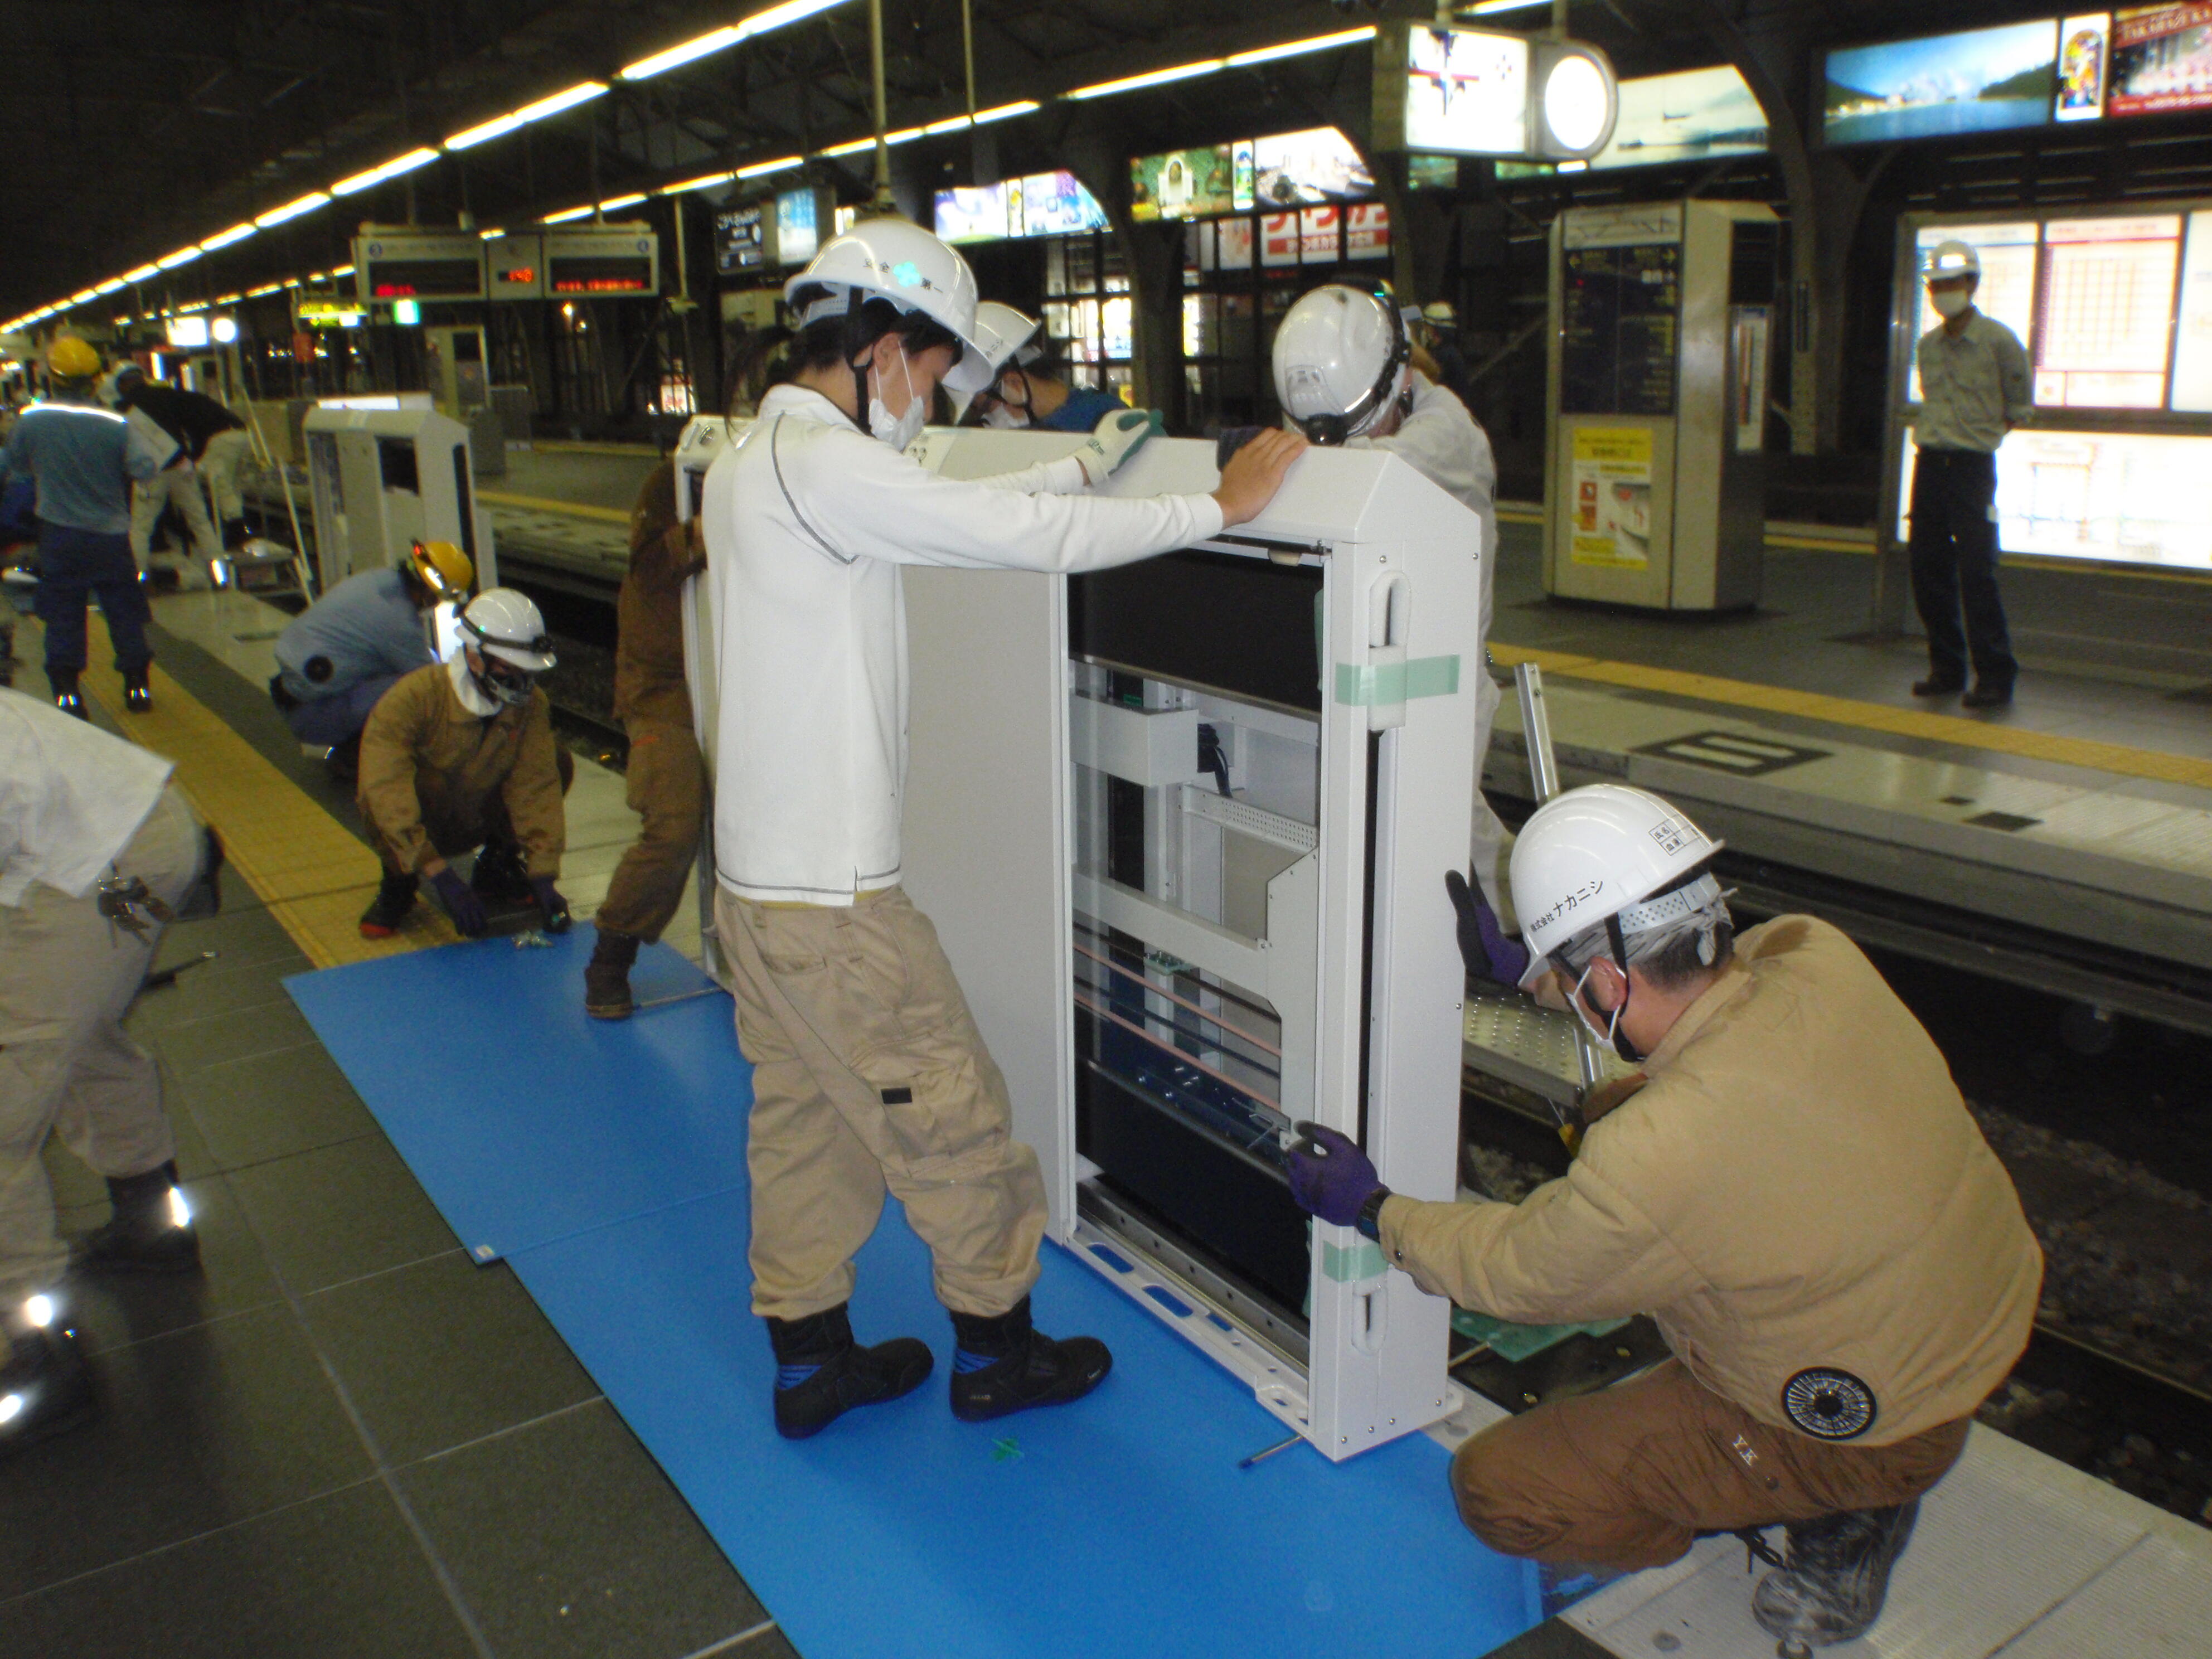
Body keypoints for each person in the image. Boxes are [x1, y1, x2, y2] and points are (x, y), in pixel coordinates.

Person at [704, 215, 1307, 1440]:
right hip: (839, 915)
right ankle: (998, 1349)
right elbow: (1013, 543)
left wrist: (1082, 464)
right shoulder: (824, 470)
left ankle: (808, 1360)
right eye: (929, 372)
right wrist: (1215, 506)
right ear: (879, 348)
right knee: (954, 1117)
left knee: (808, 1124)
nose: (931, 402)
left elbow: (939, 507)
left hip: (758, 903)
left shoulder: (758, 460)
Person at [1283, 783, 2043, 1652]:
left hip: (1874, 1423)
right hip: (1966, 1320)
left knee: (1501, 1491)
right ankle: (1830, 1472)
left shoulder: (1662, 1153)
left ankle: (1839, 1510)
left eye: (1566, 980)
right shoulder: (1813, 952)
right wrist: (1532, 975)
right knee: (1616, 1105)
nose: (1560, 993)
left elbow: (1513, 1272)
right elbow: (1664, 999)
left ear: (1602, 979)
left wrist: (1375, 1208)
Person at [1, 685, 212, 1457]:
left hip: (110, 867)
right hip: (131, 843)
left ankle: (33, 1360)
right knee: (80, 1031)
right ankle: (150, 1223)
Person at [1272, 283, 1513, 919]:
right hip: (1370, 672)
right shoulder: (1348, 410)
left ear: (1399, 380)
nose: (1338, 442)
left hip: (1443, 679)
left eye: (1355, 427)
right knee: (1430, 824)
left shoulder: (1444, 432)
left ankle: (1530, 947)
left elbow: (1354, 476)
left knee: (1446, 823)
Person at [355, 588, 574, 940]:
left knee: (558, 759)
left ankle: (497, 863)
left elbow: (536, 784)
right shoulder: (414, 698)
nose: (521, 682)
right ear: (474, 656)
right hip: (426, 820)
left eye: (527, 671)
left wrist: (543, 872)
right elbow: (384, 791)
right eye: (508, 668)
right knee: (389, 793)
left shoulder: (529, 704)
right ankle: (399, 880)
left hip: (476, 812)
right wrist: (438, 872)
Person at [583, 466, 707, 1018]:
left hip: (737, 691)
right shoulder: (660, 540)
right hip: (665, 697)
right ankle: (611, 957)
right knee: (674, 825)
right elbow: (659, 562)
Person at [4, 339, 165, 716]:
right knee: (124, 609)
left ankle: (68, 693)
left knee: (64, 612)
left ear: (52, 378)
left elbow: (16, 467)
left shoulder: (32, 421)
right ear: (96, 380)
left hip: (59, 535)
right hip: (110, 536)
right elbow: (146, 468)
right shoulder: (116, 424)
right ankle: (137, 687)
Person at [1908, 240, 2030, 710]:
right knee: (1928, 568)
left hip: (1972, 468)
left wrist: (1981, 438)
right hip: (1930, 465)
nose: (1943, 292)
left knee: (1978, 572)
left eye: (1952, 284)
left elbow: (2018, 407)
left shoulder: (1999, 341)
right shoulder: (1928, 346)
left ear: (1973, 285)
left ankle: (1996, 675)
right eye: (1936, 286)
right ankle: (1947, 668)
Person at [270, 539, 473, 778]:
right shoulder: (400, 622)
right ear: (434, 593)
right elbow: (432, 683)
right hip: (312, 716)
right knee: (413, 690)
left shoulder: (378, 579)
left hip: (293, 695)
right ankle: (355, 757)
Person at [110, 363, 239, 586]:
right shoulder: (166, 395)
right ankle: (221, 577)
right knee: (200, 521)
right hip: (181, 466)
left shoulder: (123, 408)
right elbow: (192, 421)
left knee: (141, 528)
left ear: (121, 384)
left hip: (151, 473)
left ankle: (137, 581)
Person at [963, 311, 1128, 433]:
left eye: (986, 407)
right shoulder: (1098, 409)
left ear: (1015, 383)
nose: (987, 419)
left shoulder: (1100, 420)